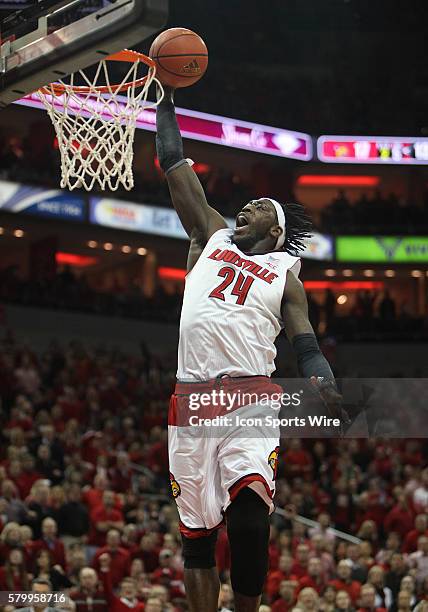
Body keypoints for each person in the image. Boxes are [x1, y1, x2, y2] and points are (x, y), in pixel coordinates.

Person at [155, 86, 348, 612]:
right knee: (196, 538)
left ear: (277, 231)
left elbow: (304, 343)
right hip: (191, 402)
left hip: (248, 399)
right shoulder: (210, 236)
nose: (247, 207)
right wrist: (165, 103)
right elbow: (176, 168)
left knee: (248, 520)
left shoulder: (285, 275)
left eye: (260, 206)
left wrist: (321, 377)